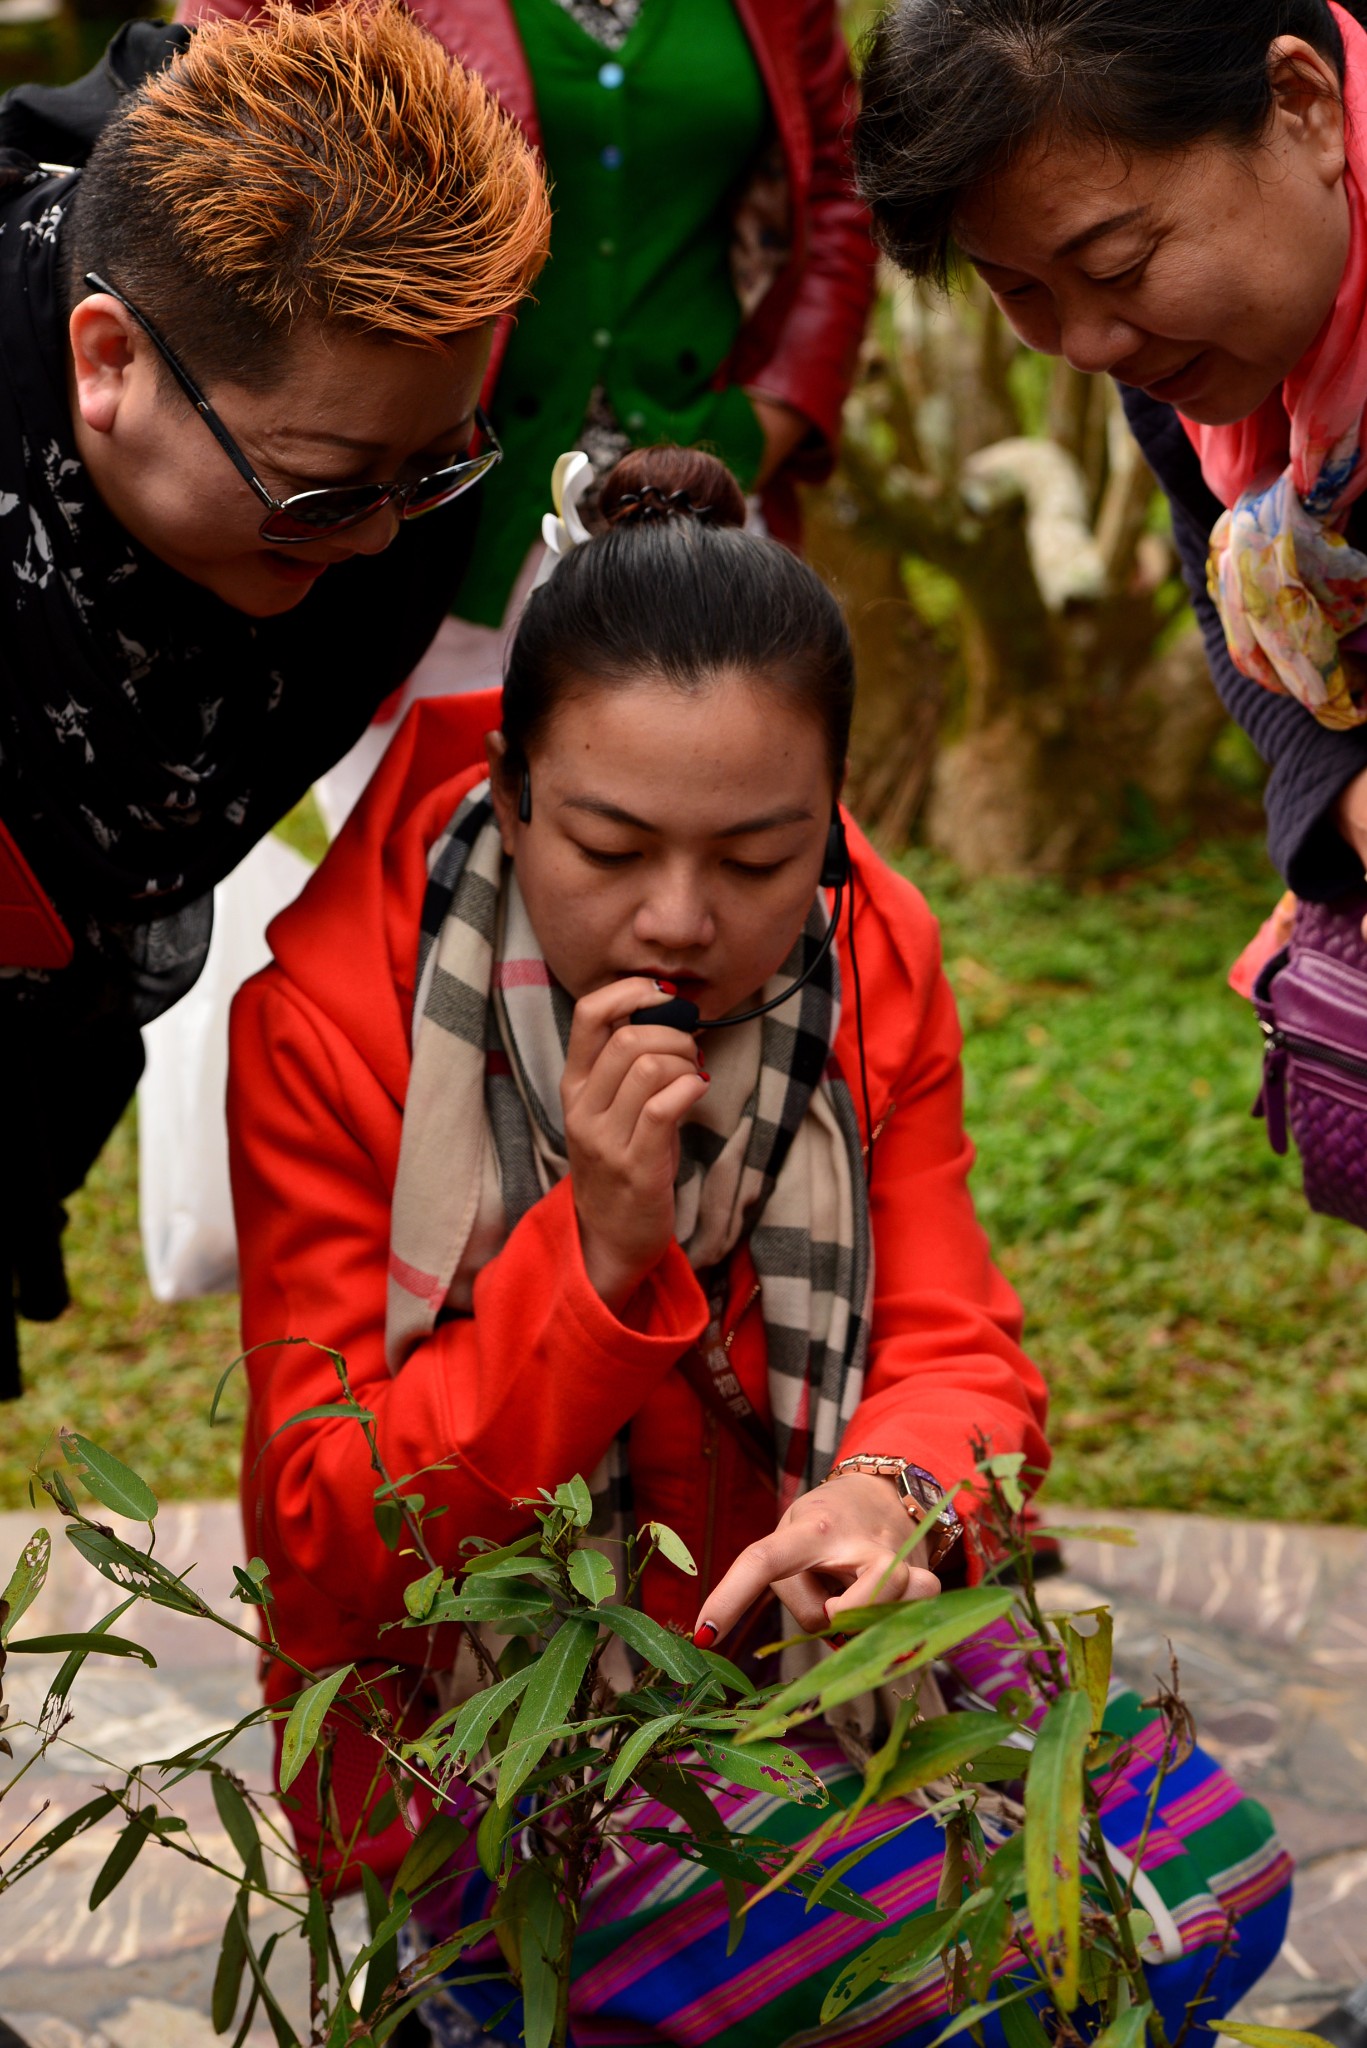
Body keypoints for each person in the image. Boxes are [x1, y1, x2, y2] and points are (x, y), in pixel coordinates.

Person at [226, 446, 1291, 2045]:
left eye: (753, 860)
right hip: (494, 1747)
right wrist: (588, 1258)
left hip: (807, 1676)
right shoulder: (330, 1023)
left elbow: (953, 1345)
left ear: (832, 824)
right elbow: (328, 1533)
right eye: (608, 847)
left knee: (1201, 1893)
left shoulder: (869, 950)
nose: (680, 919)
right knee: (971, 2000)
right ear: (510, 796)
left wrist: (887, 1498)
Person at [0, 0, 550, 1393]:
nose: (376, 537)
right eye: (321, 490)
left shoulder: (371, 503)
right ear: (106, 359)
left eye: (432, 469)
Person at [175, 0, 878, 828]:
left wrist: (782, 406)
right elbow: (210, 149)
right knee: (412, 861)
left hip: (702, 483)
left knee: (690, 842)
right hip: (425, 500)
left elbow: (843, 183)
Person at [851, 0, 1367, 911]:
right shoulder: (1187, 367)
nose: (1087, 346)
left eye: (1120, 264)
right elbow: (1213, 568)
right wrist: (1343, 792)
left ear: (1302, 105)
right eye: (1018, 289)